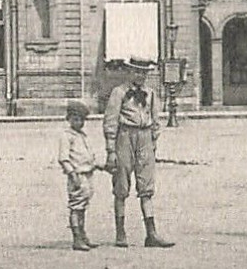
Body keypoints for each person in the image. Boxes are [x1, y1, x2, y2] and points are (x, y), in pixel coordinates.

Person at [103, 65, 174, 248]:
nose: (140, 76)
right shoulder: (119, 92)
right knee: (121, 185)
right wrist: (111, 150)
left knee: (147, 186)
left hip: (145, 138)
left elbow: (156, 120)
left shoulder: (150, 93)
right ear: (129, 72)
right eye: (137, 72)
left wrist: (153, 142)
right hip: (125, 137)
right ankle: (120, 232)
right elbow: (110, 121)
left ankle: (151, 234)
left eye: (144, 72)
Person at [57, 100, 104, 251]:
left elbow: (87, 155)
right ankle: (76, 237)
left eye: (82, 120)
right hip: (77, 175)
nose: (79, 122)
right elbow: (63, 158)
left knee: (83, 206)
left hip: (87, 173)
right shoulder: (67, 136)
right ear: (68, 119)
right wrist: (72, 174)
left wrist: (97, 165)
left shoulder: (82, 135)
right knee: (76, 206)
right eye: (75, 119)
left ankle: (83, 235)